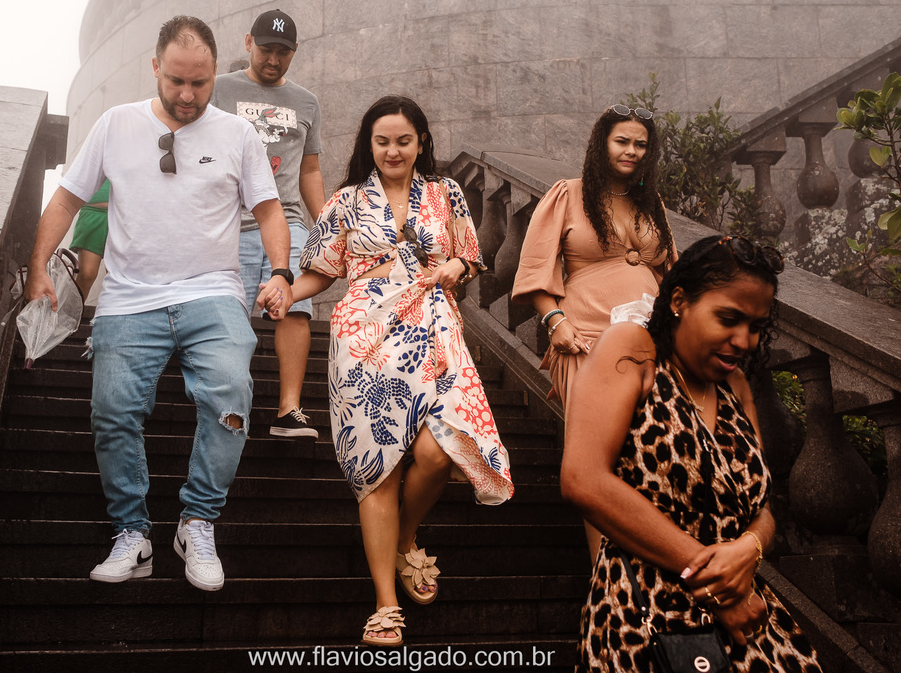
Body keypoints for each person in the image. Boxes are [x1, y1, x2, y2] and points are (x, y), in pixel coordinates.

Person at [24, 15, 293, 592]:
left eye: (200, 82)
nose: (188, 95)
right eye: (176, 81)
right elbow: (68, 198)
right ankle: (133, 534)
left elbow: (269, 209)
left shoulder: (238, 135)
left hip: (212, 291)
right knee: (112, 410)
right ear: (155, 68)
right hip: (129, 298)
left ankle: (197, 523)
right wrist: (38, 266)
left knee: (231, 395)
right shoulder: (116, 124)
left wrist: (279, 273)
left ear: (215, 73)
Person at [258, 95, 514, 646]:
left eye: (403, 140)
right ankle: (385, 603)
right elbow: (321, 272)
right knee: (379, 467)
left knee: (437, 451)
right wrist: (286, 292)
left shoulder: (446, 193)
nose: (392, 150)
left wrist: (456, 264)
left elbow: (472, 256)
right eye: (382, 141)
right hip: (365, 338)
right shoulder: (345, 202)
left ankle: (404, 537)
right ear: (368, 145)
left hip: (432, 329)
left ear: (421, 142)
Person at [562, 235, 823, 673]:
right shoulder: (632, 351)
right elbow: (583, 479)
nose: (744, 340)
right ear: (679, 301)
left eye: (756, 326)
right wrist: (717, 585)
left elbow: (761, 506)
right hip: (646, 613)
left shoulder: (736, 386)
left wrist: (752, 547)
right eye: (729, 319)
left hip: (743, 613)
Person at [512, 105, 676, 558]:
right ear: (602, 144)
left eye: (641, 144)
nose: (631, 151)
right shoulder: (568, 195)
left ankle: (653, 569)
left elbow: (671, 276)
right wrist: (556, 323)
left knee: (651, 454)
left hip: (649, 345)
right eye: (622, 141)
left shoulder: (652, 204)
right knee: (600, 462)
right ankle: (607, 579)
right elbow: (535, 269)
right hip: (585, 339)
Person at [211, 8, 325, 439]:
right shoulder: (219, 90)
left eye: (283, 52)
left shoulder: (306, 102)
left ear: (294, 52)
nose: (273, 59)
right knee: (229, 313)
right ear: (248, 43)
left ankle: (288, 409)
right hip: (232, 221)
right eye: (265, 50)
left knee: (294, 302)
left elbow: (309, 170)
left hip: (289, 218)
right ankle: (228, 404)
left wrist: (327, 225)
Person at [69, 179, 109, 298]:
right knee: (86, 274)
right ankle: (70, 310)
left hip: (123, 215)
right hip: (92, 212)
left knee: (118, 277)